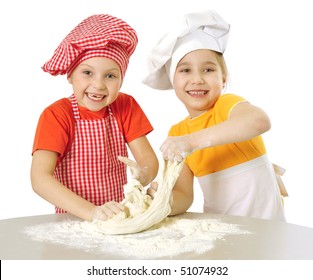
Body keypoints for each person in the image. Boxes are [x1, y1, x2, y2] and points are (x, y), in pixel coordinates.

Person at [144, 10, 286, 221]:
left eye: (208, 70)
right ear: (172, 80)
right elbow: (184, 195)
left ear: (224, 78)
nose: (197, 79)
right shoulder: (178, 133)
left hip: (265, 229)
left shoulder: (226, 107)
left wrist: (192, 141)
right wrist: (164, 201)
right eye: (185, 71)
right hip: (222, 229)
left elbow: (259, 121)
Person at [31, 14, 158, 222]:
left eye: (110, 75)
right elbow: (40, 179)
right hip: (72, 221)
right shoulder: (57, 115)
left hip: (117, 217)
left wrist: (142, 176)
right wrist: (92, 212)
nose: (98, 85)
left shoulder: (125, 106)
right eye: (88, 73)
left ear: (121, 80)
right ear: (70, 75)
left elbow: (148, 161)